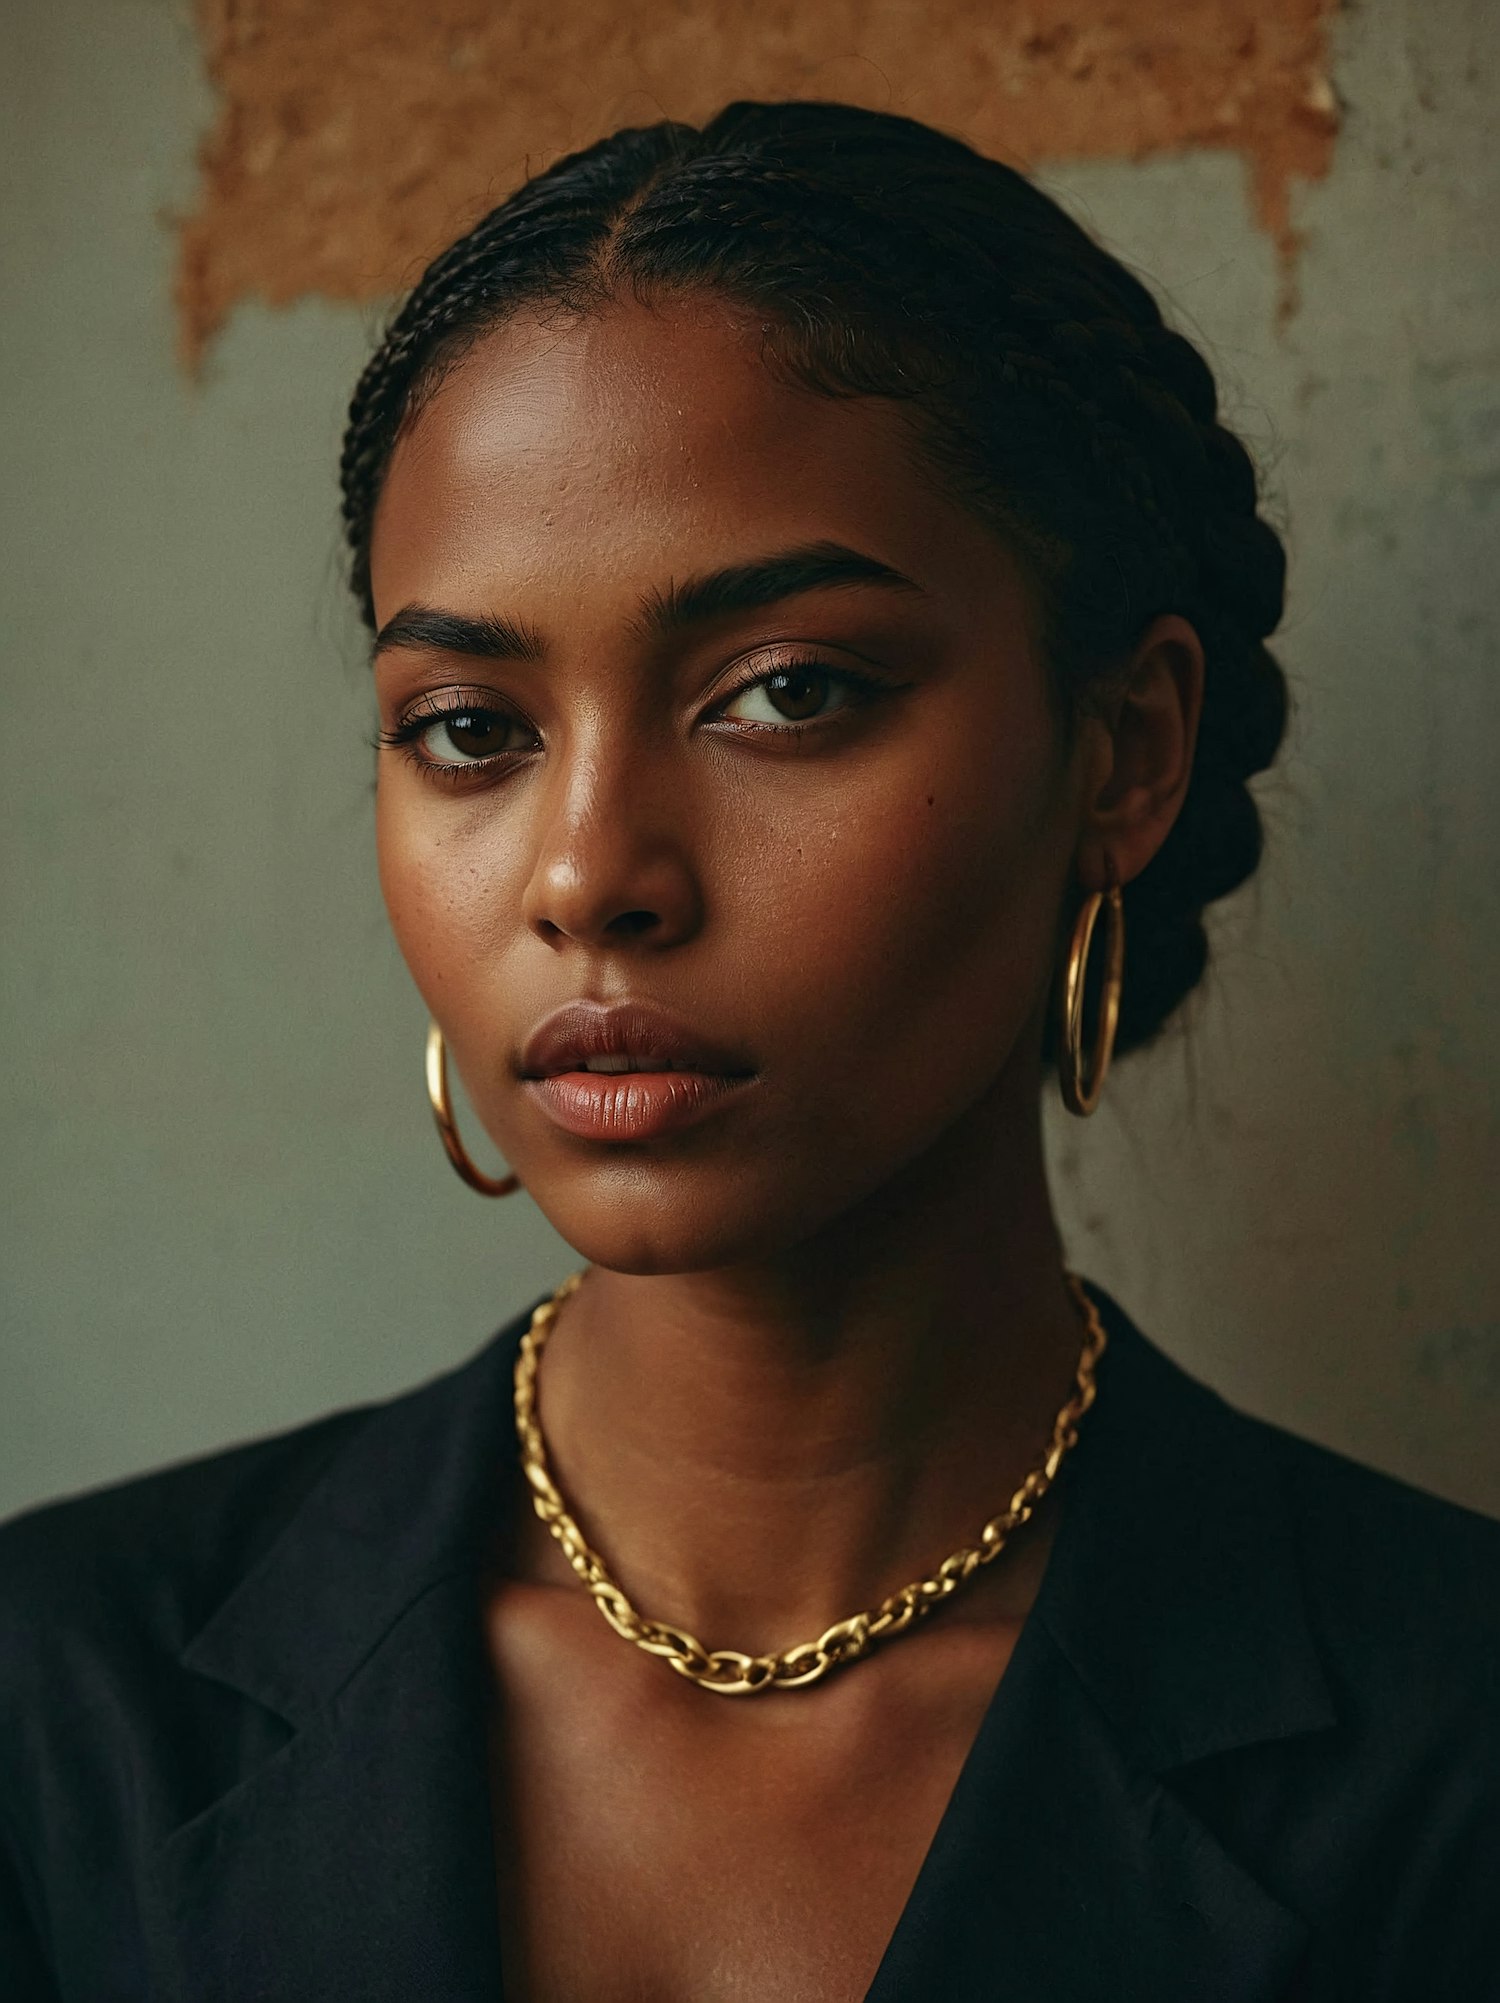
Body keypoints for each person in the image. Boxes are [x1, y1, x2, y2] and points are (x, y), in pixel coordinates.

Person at [1, 98, 1496, 2003]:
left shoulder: (1449, 1753)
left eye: (789, 692)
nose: (586, 874)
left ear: (1123, 751)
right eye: (469, 726)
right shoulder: (63, 1713)